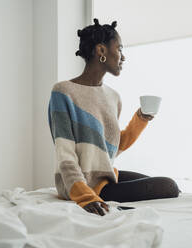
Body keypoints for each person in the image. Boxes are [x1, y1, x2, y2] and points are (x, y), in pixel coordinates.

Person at [48, 18, 181, 216]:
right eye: (119, 49)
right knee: (168, 186)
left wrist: (141, 119)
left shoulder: (113, 97)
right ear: (101, 51)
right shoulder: (63, 92)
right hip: (79, 184)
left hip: (105, 178)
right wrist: (86, 197)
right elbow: (65, 155)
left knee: (172, 187)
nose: (123, 57)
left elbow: (114, 148)